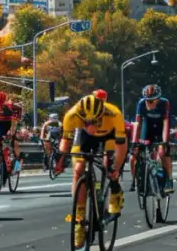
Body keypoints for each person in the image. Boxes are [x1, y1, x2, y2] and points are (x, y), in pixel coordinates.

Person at [54, 94, 127, 250]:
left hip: (109, 135)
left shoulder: (114, 113)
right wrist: (59, 162)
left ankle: (114, 191)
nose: (91, 125)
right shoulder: (71, 115)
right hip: (84, 137)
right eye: (87, 122)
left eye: (95, 121)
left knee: (109, 165)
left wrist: (116, 169)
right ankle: (79, 218)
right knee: (78, 168)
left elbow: (121, 146)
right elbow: (65, 142)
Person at [129, 84, 173, 193]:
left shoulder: (164, 103)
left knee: (163, 154)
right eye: (147, 100)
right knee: (133, 156)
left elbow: (166, 123)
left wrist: (165, 142)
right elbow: (137, 124)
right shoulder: (141, 103)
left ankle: (169, 179)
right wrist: (135, 142)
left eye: (152, 101)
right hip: (147, 129)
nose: (149, 103)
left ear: (158, 99)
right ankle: (135, 180)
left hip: (160, 129)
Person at [0, 91, 23, 173]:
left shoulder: (10, 106)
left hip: (12, 121)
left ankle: (18, 162)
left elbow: (14, 123)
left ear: (3, 103)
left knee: (14, 142)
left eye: (0, 105)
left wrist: (11, 131)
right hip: (1, 123)